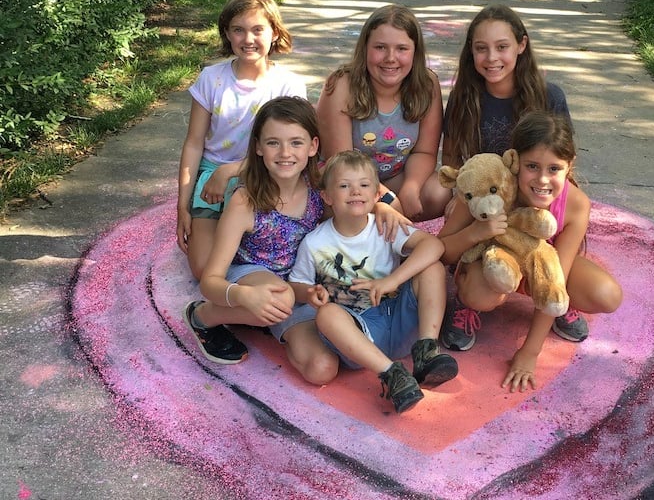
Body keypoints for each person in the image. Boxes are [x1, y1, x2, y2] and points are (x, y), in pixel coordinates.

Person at [184, 97, 409, 384]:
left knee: (322, 368)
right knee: (281, 295)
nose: (285, 152)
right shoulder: (246, 201)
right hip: (254, 275)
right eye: (273, 143)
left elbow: (369, 192)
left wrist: (380, 206)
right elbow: (211, 280)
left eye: (296, 142)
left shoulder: (319, 183)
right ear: (258, 147)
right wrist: (243, 295)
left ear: (313, 146)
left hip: (303, 285)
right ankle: (203, 316)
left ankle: (267, 320)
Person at [438, 112, 623, 392]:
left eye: (554, 169)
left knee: (607, 295)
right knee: (480, 292)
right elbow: (442, 251)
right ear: (514, 161)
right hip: (493, 265)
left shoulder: (575, 204)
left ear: (569, 166)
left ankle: (556, 307)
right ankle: (466, 305)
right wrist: (476, 233)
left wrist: (530, 352)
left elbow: (557, 274)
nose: (543, 179)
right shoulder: (489, 182)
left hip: (543, 267)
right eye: (532, 166)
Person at [440, 3, 583, 341]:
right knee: (483, 282)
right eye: (481, 48)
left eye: (502, 46)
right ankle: (467, 300)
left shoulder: (549, 96)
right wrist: (458, 201)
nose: (492, 57)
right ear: (470, 52)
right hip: (488, 204)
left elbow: (560, 159)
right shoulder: (465, 96)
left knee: (599, 292)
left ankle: (551, 292)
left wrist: (564, 214)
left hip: (535, 200)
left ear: (522, 44)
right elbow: (452, 158)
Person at [289, 151, 458, 414]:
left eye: (364, 185)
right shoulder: (314, 243)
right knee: (327, 314)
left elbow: (433, 245)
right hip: (360, 334)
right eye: (344, 186)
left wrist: (392, 280)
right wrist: (310, 293)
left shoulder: (384, 225)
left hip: (399, 319)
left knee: (432, 268)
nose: (355, 191)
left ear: (377, 195)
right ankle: (392, 375)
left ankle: (426, 351)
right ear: (327, 197)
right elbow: (296, 285)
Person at [176, 0, 306, 281]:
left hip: (269, 173)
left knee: (279, 258)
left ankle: (239, 247)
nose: (248, 39)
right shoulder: (211, 79)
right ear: (227, 34)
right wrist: (182, 206)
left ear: (274, 33)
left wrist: (232, 171)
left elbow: (290, 151)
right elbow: (194, 143)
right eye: (238, 30)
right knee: (203, 271)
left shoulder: (289, 85)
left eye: (258, 29)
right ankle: (227, 242)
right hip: (212, 177)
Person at [315, 4, 451, 221]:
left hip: (393, 175)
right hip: (344, 179)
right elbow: (341, 162)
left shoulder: (427, 84)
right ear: (365, 48)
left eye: (402, 49)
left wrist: (411, 187)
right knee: (365, 210)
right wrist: (389, 201)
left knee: (439, 192)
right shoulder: (341, 85)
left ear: (415, 51)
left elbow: (424, 152)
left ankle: (390, 223)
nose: (390, 57)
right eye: (380, 47)